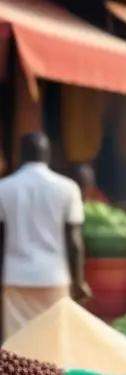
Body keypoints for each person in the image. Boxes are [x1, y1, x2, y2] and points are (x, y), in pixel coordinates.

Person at [0, 133, 89, 341]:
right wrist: (79, 281)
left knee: (17, 346)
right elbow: (75, 242)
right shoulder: (68, 188)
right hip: (54, 277)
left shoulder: (4, 188)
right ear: (48, 155)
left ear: (20, 155)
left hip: (15, 278)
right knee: (54, 342)